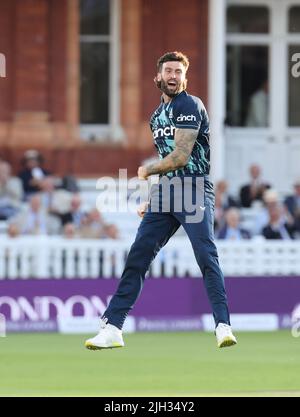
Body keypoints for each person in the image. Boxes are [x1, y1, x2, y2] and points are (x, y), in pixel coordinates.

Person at [85, 51, 237, 350]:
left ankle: (222, 325)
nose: (172, 76)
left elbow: (180, 156)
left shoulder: (190, 105)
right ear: (158, 76)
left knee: (205, 254)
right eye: (168, 70)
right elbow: (168, 161)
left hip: (194, 189)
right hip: (167, 192)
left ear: (184, 77)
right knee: (138, 256)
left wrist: (147, 170)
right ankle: (113, 327)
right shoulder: (156, 116)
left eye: (178, 72)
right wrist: (154, 197)